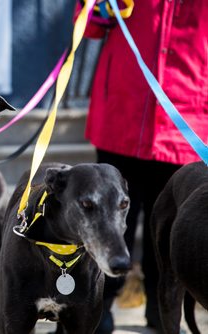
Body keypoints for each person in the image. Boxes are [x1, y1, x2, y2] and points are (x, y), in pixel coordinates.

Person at [81, 0, 208, 333]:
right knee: (105, 224)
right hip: (121, 116)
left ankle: (162, 312)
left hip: (185, 123)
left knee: (168, 235)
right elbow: (90, 24)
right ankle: (96, 309)